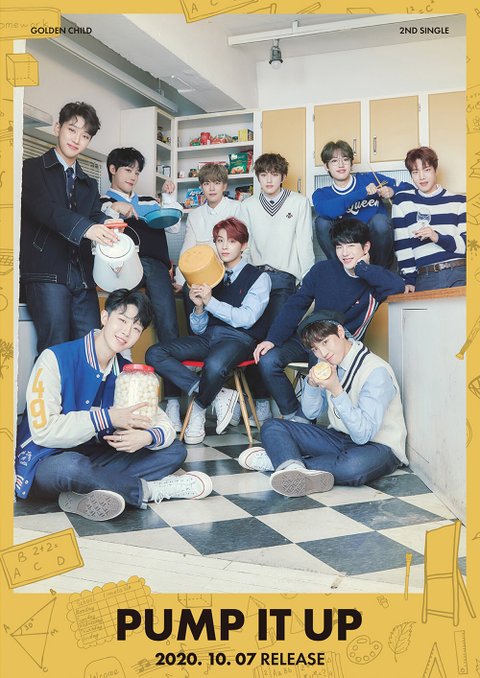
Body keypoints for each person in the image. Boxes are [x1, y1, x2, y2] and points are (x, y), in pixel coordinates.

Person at [15, 289, 212, 521]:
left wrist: (146, 437)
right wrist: (108, 417)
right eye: (122, 320)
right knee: (71, 468)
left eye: (136, 328)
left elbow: (162, 424)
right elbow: (44, 432)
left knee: (174, 451)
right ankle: (149, 491)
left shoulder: (127, 373)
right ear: (104, 317)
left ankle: (84, 492)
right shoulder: (55, 358)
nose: (127, 331)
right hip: (47, 460)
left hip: (95, 457)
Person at [238, 310, 408, 496]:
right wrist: (312, 385)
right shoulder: (327, 363)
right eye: (315, 349)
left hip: (378, 446)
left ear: (340, 332)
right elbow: (311, 413)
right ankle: (291, 466)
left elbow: (363, 435)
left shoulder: (375, 371)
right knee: (272, 426)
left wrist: (336, 390)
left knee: (352, 467)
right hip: (340, 437)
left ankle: (282, 462)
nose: (323, 353)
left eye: (325, 342)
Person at [253, 218, 405, 420]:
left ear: (366, 247)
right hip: (310, 338)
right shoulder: (322, 270)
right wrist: (273, 339)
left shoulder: (373, 280)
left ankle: (305, 419)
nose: (345, 253)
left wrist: (361, 269)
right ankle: (293, 416)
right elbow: (296, 304)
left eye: (351, 246)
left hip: (338, 345)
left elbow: (397, 286)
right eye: (339, 247)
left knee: (318, 360)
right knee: (267, 360)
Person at [146, 217, 271, 445]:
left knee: (213, 365)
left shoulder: (259, 277)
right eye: (220, 241)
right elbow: (198, 328)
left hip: (240, 340)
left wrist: (210, 302)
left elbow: (246, 319)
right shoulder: (210, 276)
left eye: (231, 241)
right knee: (154, 353)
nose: (224, 247)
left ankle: (199, 409)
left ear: (243, 245)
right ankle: (218, 394)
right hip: (209, 338)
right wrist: (199, 308)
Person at [20, 101, 116, 354]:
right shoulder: (31, 169)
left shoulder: (89, 183)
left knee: (90, 350)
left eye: (85, 136)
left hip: (83, 277)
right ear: (57, 128)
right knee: (55, 350)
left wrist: (107, 225)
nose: (76, 139)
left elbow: (94, 215)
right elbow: (46, 209)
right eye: (72, 130)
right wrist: (87, 228)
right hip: (47, 273)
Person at [99, 147, 183, 430]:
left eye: (137, 172)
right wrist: (116, 208)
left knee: (168, 326)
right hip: (122, 266)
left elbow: (173, 227)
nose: (133, 176)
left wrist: (168, 199)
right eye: (128, 170)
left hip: (155, 266)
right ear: (113, 169)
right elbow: (100, 216)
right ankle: (123, 394)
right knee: (122, 324)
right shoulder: (103, 201)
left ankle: (172, 401)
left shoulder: (148, 201)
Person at [238, 152, 315, 424]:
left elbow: (304, 243)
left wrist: (309, 282)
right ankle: (261, 402)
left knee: (274, 338)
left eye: (274, 174)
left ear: (283, 176)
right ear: (258, 177)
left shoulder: (299, 202)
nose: (269, 180)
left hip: (285, 279)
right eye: (263, 175)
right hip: (255, 277)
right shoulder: (247, 206)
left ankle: (285, 407)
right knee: (250, 337)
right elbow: (244, 247)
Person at [312, 140, 410, 267]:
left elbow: (409, 188)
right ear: (326, 166)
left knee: (380, 221)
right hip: (345, 255)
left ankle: (379, 272)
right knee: (321, 221)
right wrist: (362, 192)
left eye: (345, 159)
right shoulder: (321, 194)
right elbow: (327, 211)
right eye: (334, 161)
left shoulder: (370, 179)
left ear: (351, 164)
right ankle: (339, 272)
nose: (341, 165)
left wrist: (392, 191)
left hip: (376, 255)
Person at [392, 146, 466, 292]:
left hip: (460, 272)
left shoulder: (460, 201)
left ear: (435, 170)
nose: (421, 177)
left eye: (426, 170)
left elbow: (467, 246)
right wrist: (409, 280)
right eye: (415, 172)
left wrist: (436, 237)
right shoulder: (402, 202)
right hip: (426, 277)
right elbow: (403, 246)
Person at [174, 162, 241, 292]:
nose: (211, 188)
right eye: (206, 184)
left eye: (216, 183)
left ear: (224, 186)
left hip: (230, 273)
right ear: (201, 187)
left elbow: (244, 247)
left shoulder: (237, 208)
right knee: (189, 291)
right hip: (202, 275)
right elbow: (187, 250)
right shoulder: (194, 215)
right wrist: (181, 281)